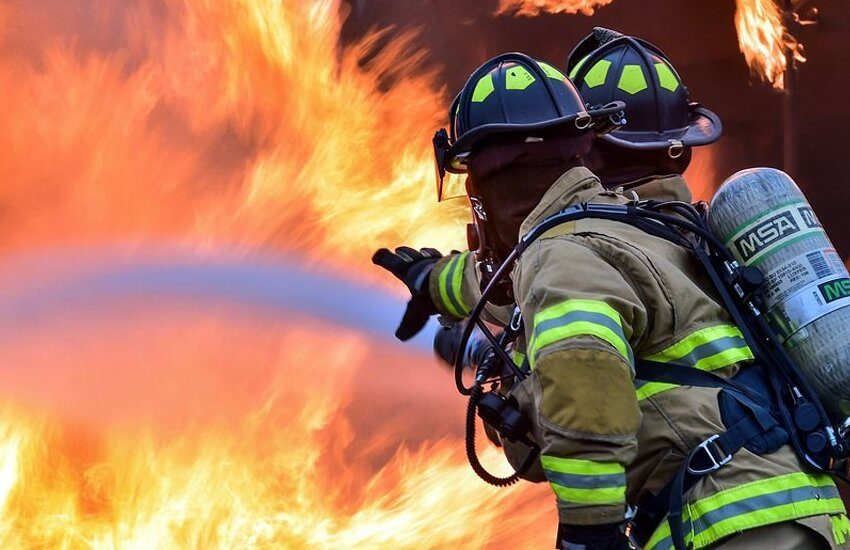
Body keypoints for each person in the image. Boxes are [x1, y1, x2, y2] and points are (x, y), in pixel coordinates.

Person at [374, 34, 849, 550]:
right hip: (802, 514)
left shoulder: (562, 255)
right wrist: (434, 281)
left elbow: (583, 393)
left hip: (728, 524)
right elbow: (506, 279)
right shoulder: (654, 231)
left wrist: (588, 533)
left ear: (490, 184)